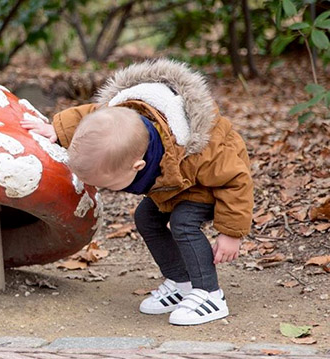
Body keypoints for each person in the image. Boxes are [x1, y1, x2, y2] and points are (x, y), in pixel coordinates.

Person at [21, 58, 253, 326]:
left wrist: (231, 233)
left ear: (137, 166)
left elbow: (236, 180)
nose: (103, 189)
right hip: (170, 184)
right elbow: (94, 118)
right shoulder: (119, 114)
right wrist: (58, 130)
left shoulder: (202, 153)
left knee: (183, 223)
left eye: (108, 184)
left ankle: (210, 294)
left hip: (204, 185)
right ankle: (181, 282)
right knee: (146, 218)